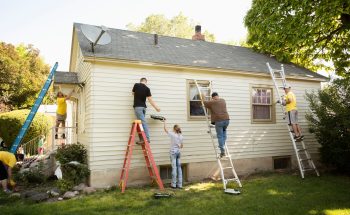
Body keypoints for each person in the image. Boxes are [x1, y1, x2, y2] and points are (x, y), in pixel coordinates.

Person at [201, 92, 230, 158]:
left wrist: (203, 96)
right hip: (227, 120)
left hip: (219, 121)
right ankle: (223, 144)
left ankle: (222, 152)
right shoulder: (223, 100)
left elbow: (205, 103)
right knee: (224, 132)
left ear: (213, 97)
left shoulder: (212, 102)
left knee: (219, 136)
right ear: (218, 96)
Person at [132, 78, 160, 143]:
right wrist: (156, 108)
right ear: (146, 82)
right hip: (144, 108)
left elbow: (133, 93)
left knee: (143, 122)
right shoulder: (147, 89)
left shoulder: (136, 85)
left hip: (138, 107)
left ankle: (146, 139)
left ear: (141, 81)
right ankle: (142, 139)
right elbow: (150, 100)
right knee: (141, 123)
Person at [163, 120, 183, 189]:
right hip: (178, 153)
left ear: (174, 129)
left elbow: (165, 130)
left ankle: (173, 185)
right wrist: (178, 145)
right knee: (179, 168)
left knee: (174, 168)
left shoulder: (173, 135)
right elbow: (181, 146)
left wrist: (164, 122)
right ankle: (180, 185)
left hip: (173, 153)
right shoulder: (181, 136)